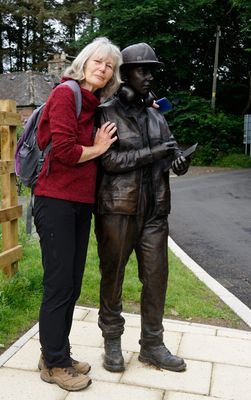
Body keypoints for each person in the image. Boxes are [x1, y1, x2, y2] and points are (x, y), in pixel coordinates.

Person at [33, 37, 122, 391]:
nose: (103, 68)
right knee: (58, 284)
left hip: (79, 203)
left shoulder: (93, 103)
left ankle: (56, 353)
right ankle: (53, 364)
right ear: (84, 62)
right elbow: (67, 152)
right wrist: (99, 147)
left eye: (110, 66)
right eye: (98, 61)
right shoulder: (64, 95)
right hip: (54, 200)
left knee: (70, 284)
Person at [95, 42, 190, 374]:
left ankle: (152, 344)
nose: (149, 77)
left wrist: (178, 161)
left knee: (156, 278)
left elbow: (171, 149)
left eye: (153, 71)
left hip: (155, 211)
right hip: (118, 209)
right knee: (113, 276)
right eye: (142, 70)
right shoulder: (106, 112)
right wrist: (153, 154)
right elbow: (108, 161)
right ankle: (111, 342)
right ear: (124, 74)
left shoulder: (155, 113)